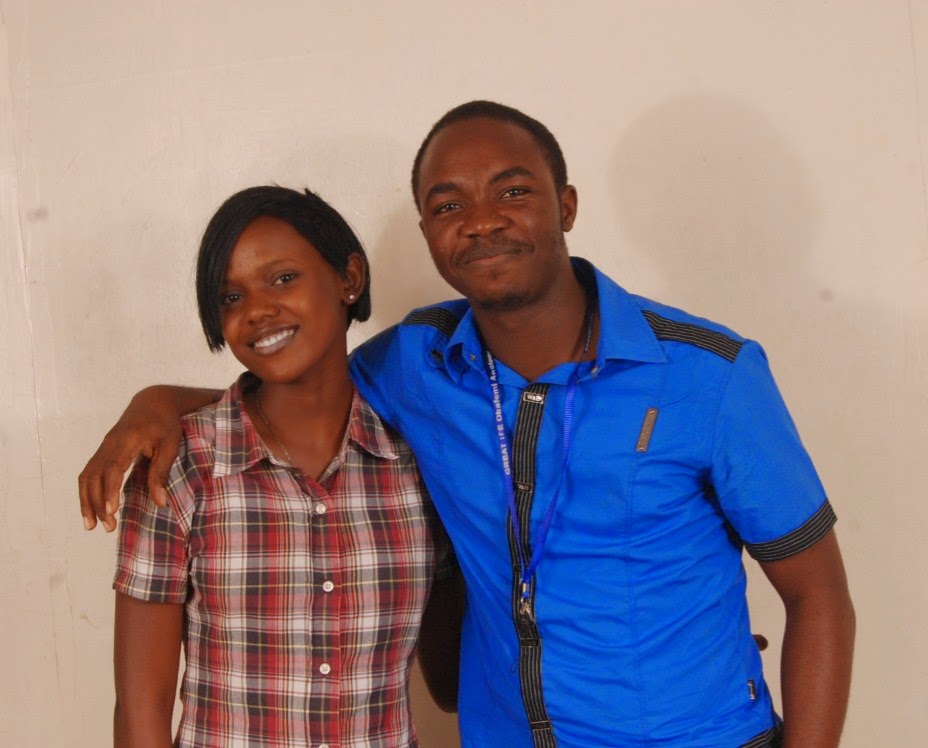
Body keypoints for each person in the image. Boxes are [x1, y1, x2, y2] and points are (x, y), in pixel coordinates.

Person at [82, 103, 855, 748]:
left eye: (512, 191)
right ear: (426, 231)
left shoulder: (710, 375)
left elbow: (820, 596)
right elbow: (296, 384)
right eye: (449, 205)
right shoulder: (417, 366)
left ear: (567, 206)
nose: (481, 222)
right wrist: (157, 400)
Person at [109, 185, 456, 747]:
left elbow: (451, 682)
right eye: (230, 297)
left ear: (349, 278)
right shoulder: (182, 466)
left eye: (283, 278)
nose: (256, 311)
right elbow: (139, 714)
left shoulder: (416, 463)